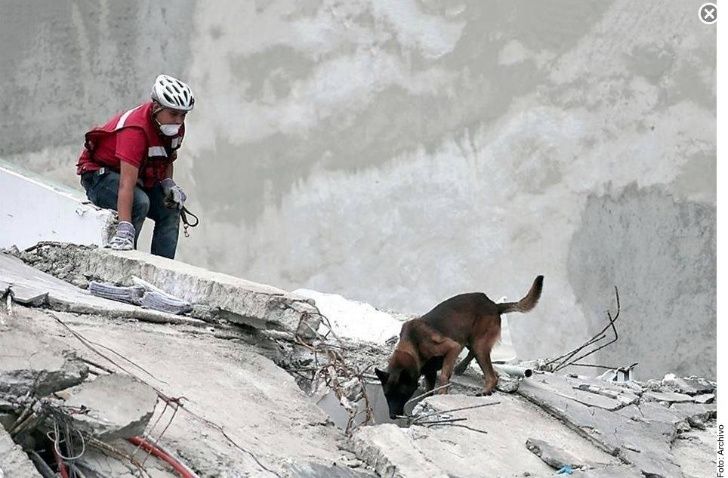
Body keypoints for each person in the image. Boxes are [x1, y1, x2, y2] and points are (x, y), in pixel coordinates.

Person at [76, 74, 195, 259]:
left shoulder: (175, 128)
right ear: (157, 107)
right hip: (99, 176)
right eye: (173, 113)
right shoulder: (135, 130)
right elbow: (126, 184)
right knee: (139, 203)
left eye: (183, 114)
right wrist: (124, 228)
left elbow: (167, 158)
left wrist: (168, 184)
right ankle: (128, 259)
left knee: (171, 208)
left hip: (138, 176)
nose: (179, 120)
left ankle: (164, 268)